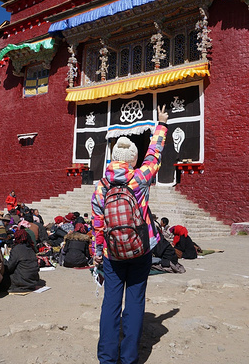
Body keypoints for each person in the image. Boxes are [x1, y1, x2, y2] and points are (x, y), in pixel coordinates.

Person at [92, 105, 168, 364]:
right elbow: (154, 154)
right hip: (141, 251)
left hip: (112, 254)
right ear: (134, 160)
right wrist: (161, 125)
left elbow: (97, 225)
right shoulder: (140, 178)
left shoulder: (101, 187)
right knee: (135, 301)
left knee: (111, 303)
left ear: (113, 158)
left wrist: (96, 254)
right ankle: (129, 358)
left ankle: (106, 359)